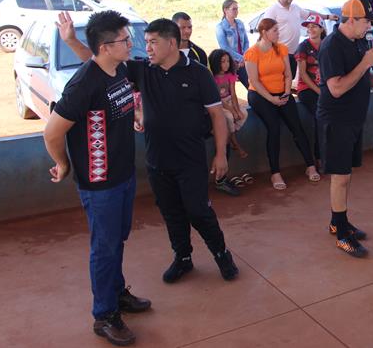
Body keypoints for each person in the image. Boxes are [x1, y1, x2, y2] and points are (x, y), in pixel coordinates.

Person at [59, 14, 240, 287]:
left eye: (153, 42)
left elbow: (216, 116)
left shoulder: (198, 72)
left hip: (190, 160)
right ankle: (183, 257)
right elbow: (97, 61)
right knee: (171, 212)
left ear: (171, 43)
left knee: (198, 211)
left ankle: (221, 254)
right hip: (157, 161)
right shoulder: (143, 70)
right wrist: (71, 40)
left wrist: (220, 154)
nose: (148, 48)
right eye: (146, 42)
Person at [43, 11, 150, 346]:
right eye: (125, 39)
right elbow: (52, 131)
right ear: (106, 46)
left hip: (123, 172)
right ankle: (104, 315)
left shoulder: (113, 67)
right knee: (104, 248)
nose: (131, 43)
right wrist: (62, 164)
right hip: (99, 180)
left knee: (116, 239)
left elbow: (91, 59)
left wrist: (72, 40)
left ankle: (117, 293)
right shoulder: (82, 85)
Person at [317, 0, 373, 257]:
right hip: (337, 118)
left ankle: (338, 220)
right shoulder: (331, 46)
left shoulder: (359, 41)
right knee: (340, 177)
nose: (369, 27)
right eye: (366, 21)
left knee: (347, 175)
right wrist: (365, 63)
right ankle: (341, 234)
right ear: (350, 20)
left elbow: (363, 76)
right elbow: (337, 87)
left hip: (354, 118)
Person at [245, 18, 319, 188]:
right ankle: (275, 173)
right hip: (260, 95)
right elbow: (254, 81)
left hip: (282, 93)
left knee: (297, 127)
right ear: (264, 32)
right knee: (274, 128)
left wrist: (286, 93)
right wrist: (272, 99)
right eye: (275, 31)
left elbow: (288, 74)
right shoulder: (252, 53)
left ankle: (310, 165)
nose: (278, 33)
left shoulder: (282, 49)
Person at [262, 0, 338, 77]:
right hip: (278, 53)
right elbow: (265, 31)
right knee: (279, 79)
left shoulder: (295, 7)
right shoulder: (272, 10)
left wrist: (327, 17)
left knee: (290, 77)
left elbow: (310, 15)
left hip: (293, 53)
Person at [208, 48, 249, 164]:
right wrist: (232, 111)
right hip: (219, 103)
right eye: (222, 62)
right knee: (230, 117)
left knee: (244, 113)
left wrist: (237, 110)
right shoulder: (213, 78)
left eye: (227, 61)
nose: (226, 64)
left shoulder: (230, 75)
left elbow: (233, 94)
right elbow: (218, 99)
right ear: (216, 63)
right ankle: (235, 143)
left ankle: (230, 135)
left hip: (229, 100)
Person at [295, 14, 326, 166]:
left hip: (324, 88)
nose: (310, 29)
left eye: (314, 26)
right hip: (307, 89)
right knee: (320, 116)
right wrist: (320, 91)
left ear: (321, 28)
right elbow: (303, 75)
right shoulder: (303, 47)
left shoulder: (327, 44)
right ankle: (319, 158)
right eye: (308, 27)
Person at [216, 0, 250, 88]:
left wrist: (244, 57)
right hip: (229, 62)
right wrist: (241, 58)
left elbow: (246, 41)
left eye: (237, 9)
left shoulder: (240, 23)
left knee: (251, 84)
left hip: (243, 61)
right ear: (225, 10)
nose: (236, 11)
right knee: (229, 90)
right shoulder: (220, 27)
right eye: (234, 9)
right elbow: (225, 48)